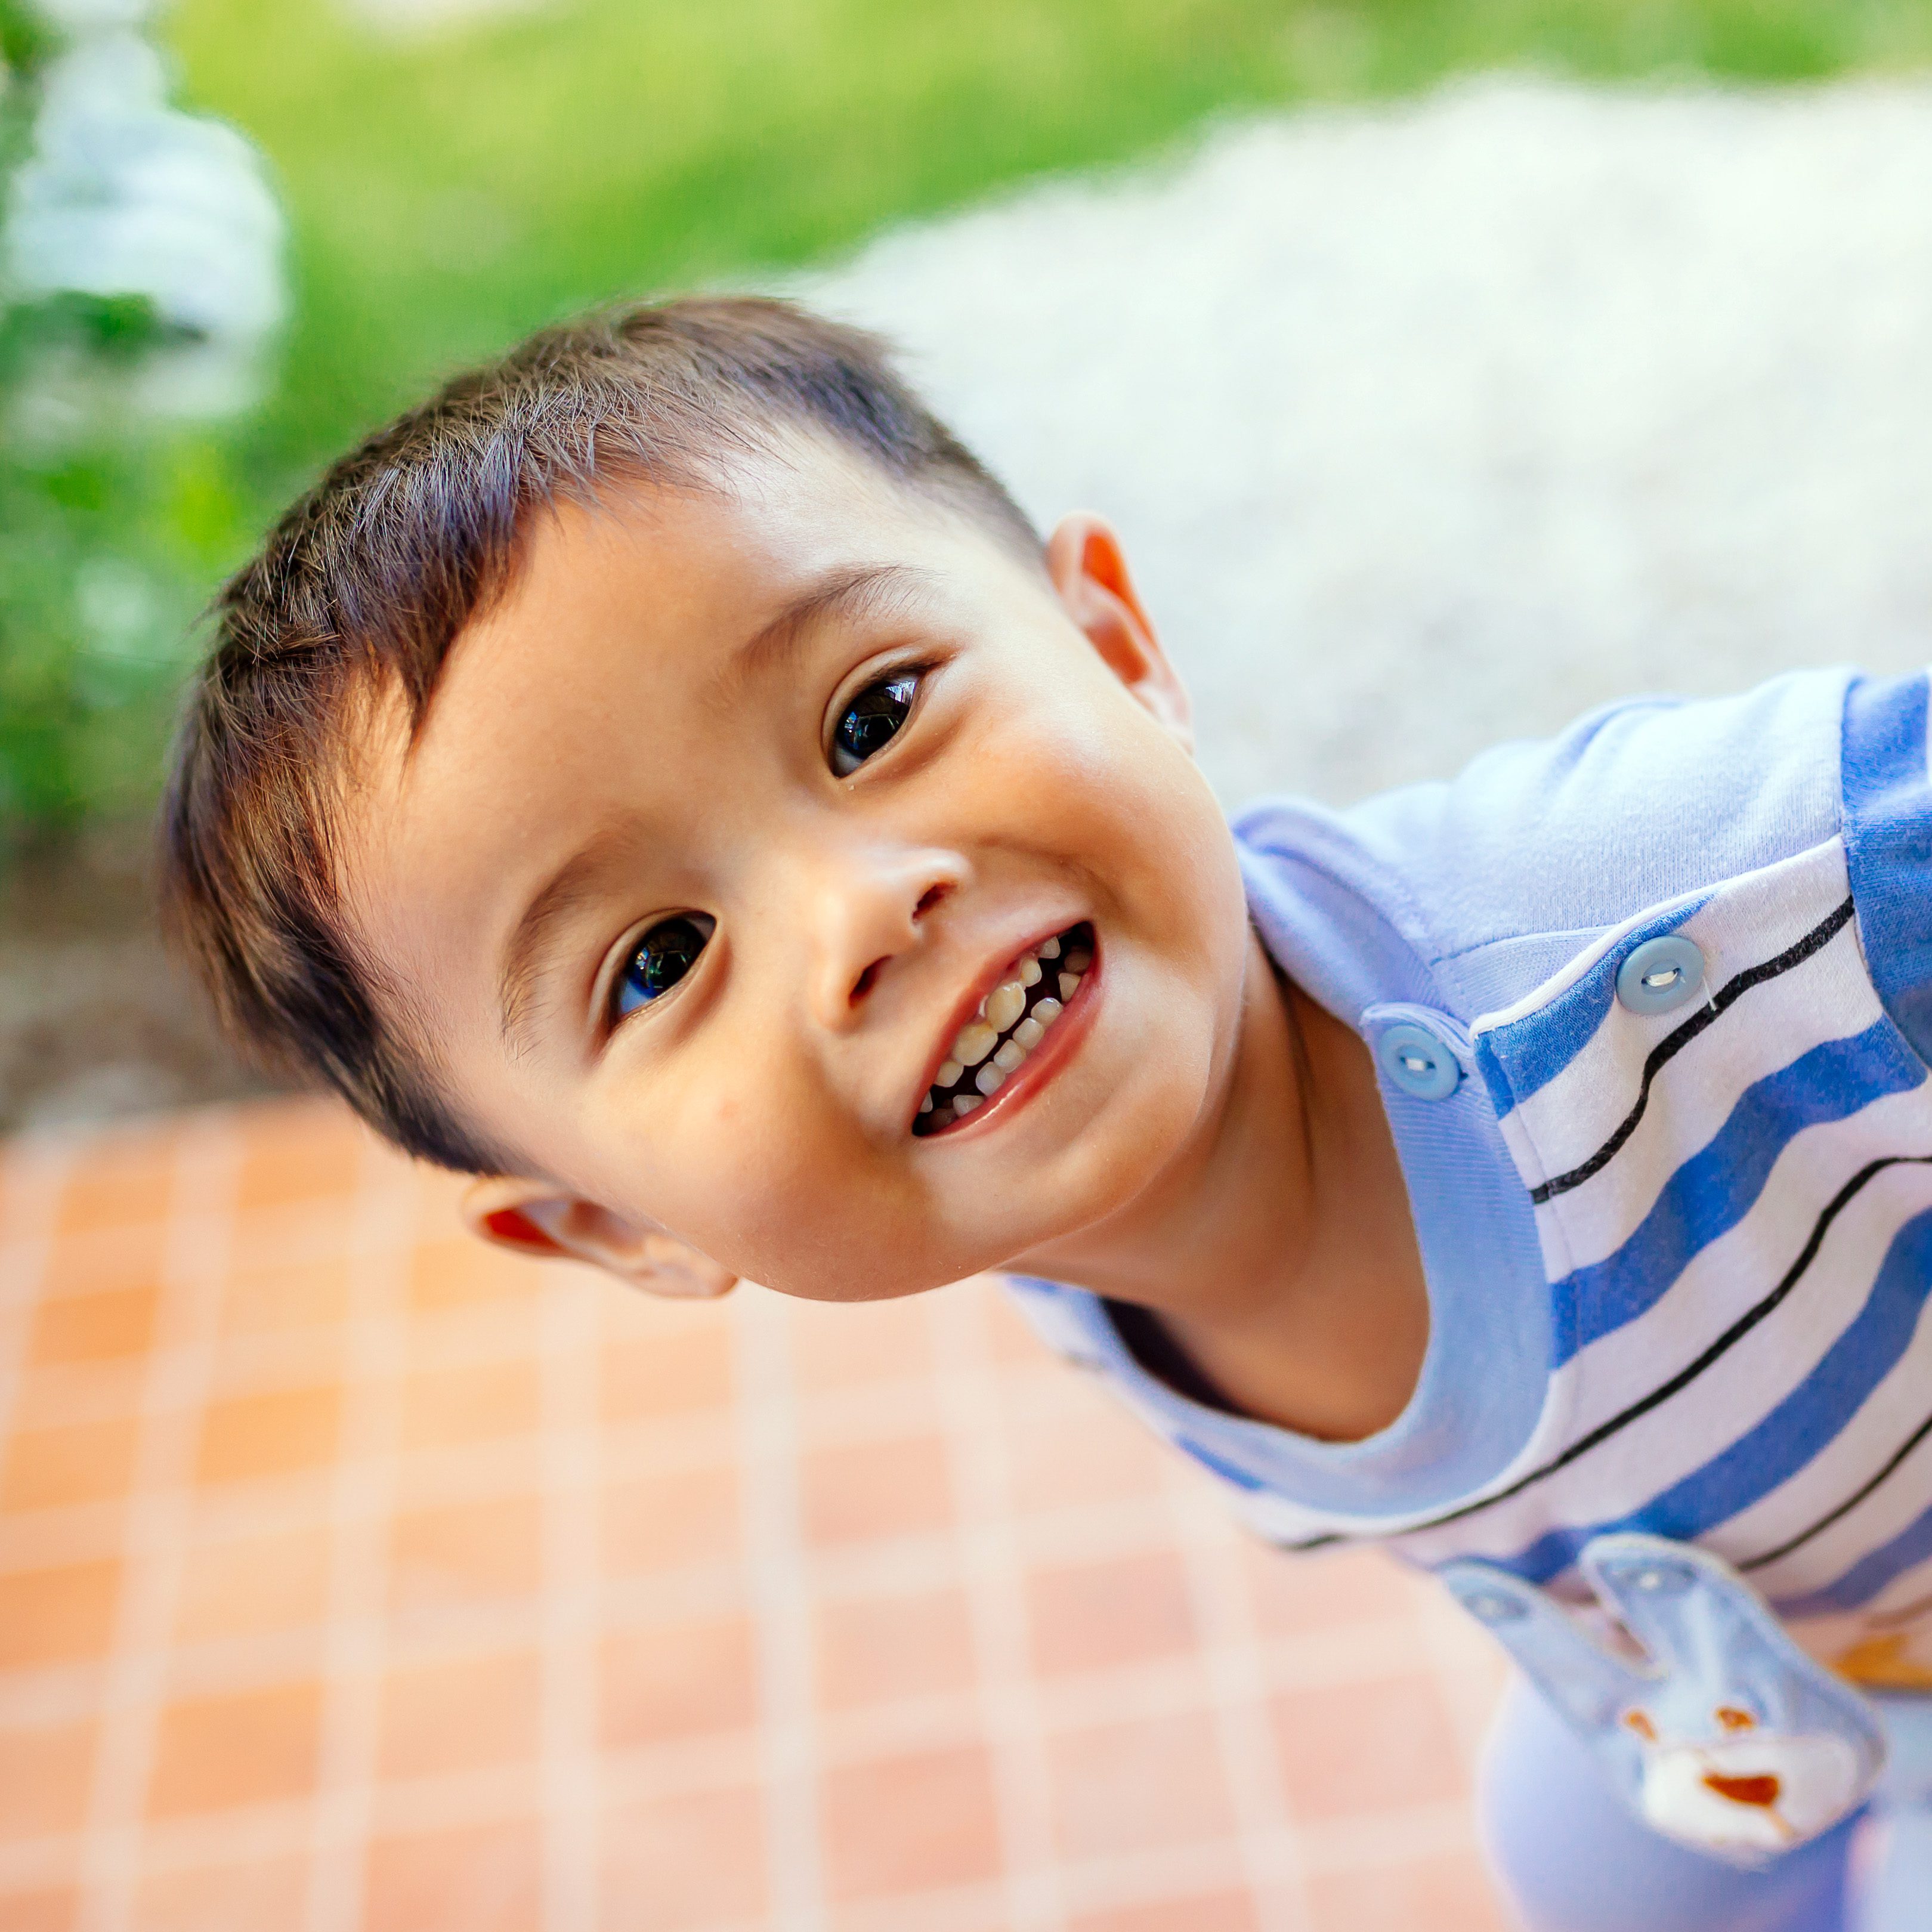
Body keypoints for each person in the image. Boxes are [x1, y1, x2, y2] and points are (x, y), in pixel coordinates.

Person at [161, 296, 1932, 1930]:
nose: (865, 912)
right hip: (1777, 1632)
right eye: (659, 959)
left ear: (1116, 645)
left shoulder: (1744, 906)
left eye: (874, 713)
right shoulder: (1037, 1209)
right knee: (1576, 1865)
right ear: (620, 1224)